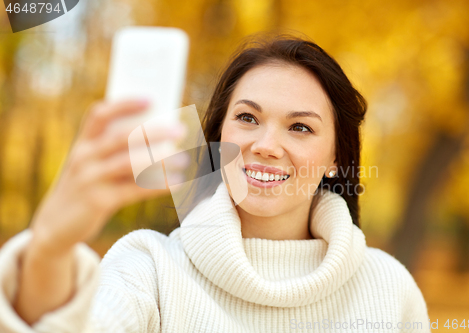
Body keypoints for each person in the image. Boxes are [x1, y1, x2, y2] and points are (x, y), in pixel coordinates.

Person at [0, 34, 430, 332]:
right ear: (219, 134)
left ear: (336, 159)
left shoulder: (389, 288)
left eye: (299, 127)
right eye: (247, 118)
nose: (265, 145)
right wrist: (49, 249)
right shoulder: (148, 267)